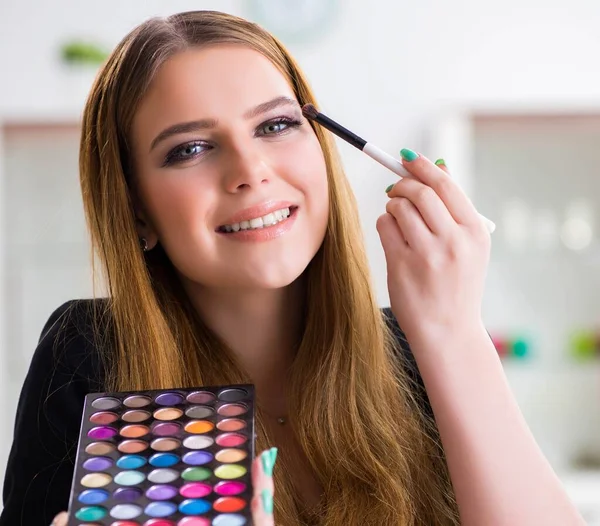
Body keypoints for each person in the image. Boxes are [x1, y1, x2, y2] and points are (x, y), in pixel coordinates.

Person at [0, 10, 584, 526]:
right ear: (136, 211)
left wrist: (454, 331)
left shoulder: (415, 351)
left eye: (276, 125)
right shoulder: (92, 349)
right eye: (190, 149)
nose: (250, 170)